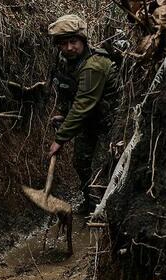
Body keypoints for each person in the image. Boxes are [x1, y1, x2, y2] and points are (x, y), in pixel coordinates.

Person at [47, 14, 120, 215]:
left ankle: (102, 213)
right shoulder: (68, 62)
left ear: (83, 41)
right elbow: (74, 95)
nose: (69, 47)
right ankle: (89, 203)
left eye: (74, 42)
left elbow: (83, 105)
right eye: (64, 43)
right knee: (81, 161)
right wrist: (65, 115)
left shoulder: (93, 65)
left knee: (100, 170)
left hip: (109, 125)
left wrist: (60, 139)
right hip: (89, 122)